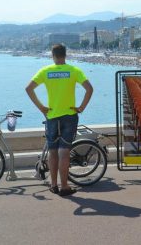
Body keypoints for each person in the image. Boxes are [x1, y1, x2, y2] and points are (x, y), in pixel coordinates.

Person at [25, 44, 93, 196]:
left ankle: (53, 185)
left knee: (53, 151)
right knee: (64, 152)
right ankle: (64, 187)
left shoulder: (45, 71)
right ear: (65, 55)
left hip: (52, 116)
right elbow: (89, 89)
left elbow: (28, 89)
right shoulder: (74, 71)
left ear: (53, 55)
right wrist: (81, 107)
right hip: (69, 115)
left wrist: (42, 108)